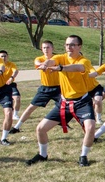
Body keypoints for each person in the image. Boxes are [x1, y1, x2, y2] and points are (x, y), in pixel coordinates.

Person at [25, 35, 100, 167]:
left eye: (72, 45)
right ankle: (43, 155)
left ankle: (83, 156)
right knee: (40, 129)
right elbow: (52, 61)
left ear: (79, 47)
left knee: (90, 127)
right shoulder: (60, 57)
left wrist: (61, 68)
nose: (69, 47)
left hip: (82, 102)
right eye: (66, 45)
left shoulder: (84, 61)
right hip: (64, 103)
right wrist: (45, 64)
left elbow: (78, 68)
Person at [13, 41, 62, 132]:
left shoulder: (57, 58)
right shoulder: (39, 58)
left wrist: (46, 65)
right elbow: (37, 62)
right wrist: (42, 65)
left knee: (70, 106)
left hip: (59, 88)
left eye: (48, 47)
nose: (46, 49)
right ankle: (16, 127)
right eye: (44, 48)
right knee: (31, 107)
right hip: (45, 88)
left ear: (52, 48)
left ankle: (62, 121)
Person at [0, 50, 21, 121]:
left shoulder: (11, 64)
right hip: (0, 86)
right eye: (2, 56)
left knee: (17, 98)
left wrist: (11, 78)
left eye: (5, 56)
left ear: (7, 56)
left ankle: (15, 115)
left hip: (10, 85)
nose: (3, 58)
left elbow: (15, 71)